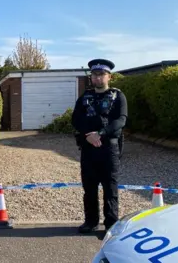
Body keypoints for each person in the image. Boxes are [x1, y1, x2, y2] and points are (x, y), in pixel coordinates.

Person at [71, 58, 128, 233]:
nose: (97, 78)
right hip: (88, 148)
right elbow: (75, 119)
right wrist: (87, 136)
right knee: (89, 187)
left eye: (101, 74)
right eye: (94, 75)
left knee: (110, 188)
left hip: (108, 148)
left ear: (109, 76)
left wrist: (100, 134)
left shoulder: (118, 96)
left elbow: (121, 120)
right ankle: (91, 221)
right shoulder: (85, 97)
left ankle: (111, 223)